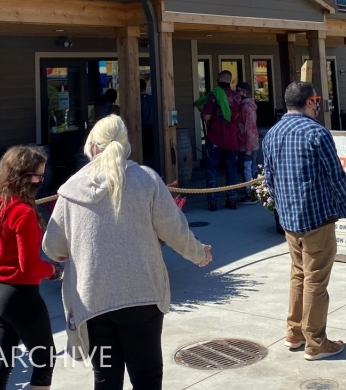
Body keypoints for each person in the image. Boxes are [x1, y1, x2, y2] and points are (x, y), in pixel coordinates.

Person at [42, 115, 211, 390]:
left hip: (92, 299)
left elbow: (53, 247)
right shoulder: (146, 180)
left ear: (93, 146)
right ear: (125, 144)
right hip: (142, 294)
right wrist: (199, 253)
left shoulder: (71, 189)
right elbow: (174, 230)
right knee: (147, 378)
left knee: (106, 381)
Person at [263, 81, 346, 361]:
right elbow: (337, 178)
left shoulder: (272, 133)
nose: (319, 104)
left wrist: (283, 210)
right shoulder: (317, 133)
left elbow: (269, 179)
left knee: (299, 274)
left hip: (289, 219)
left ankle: (294, 333)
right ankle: (316, 342)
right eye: (317, 99)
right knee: (316, 281)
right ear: (310, 102)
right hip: (316, 217)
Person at [0, 145, 63, 390]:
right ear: (23, 176)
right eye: (37, 176)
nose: (41, 181)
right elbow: (29, 265)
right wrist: (53, 271)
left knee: (2, 363)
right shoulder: (23, 213)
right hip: (21, 295)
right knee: (45, 359)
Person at [194, 70, 242, 210]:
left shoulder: (214, 96)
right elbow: (237, 116)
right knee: (231, 169)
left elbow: (207, 117)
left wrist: (201, 111)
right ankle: (232, 200)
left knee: (212, 169)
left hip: (215, 138)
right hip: (232, 138)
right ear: (231, 81)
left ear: (218, 79)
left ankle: (213, 202)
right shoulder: (237, 97)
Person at [235, 82, 260, 203]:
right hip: (245, 143)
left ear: (245, 92)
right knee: (249, 168)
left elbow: (249, 128)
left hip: (248, 144)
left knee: (248, 169)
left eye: (238, 90)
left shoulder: (247, 107)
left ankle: (251, 195)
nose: (236, 92)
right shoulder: (243, 106)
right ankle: (251, 192)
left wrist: (249, 148)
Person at [140, 79, 155, 167]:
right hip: (153, 127)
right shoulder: (152, 98)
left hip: (143, 128)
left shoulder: (138, 101)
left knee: (145, 151)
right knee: (152, 151)